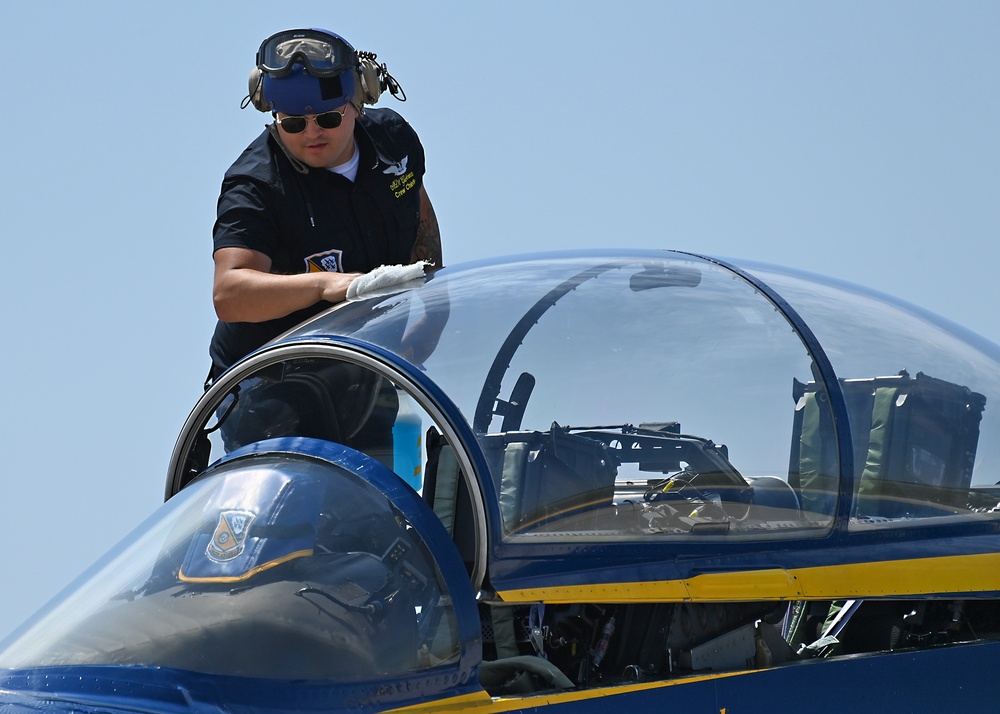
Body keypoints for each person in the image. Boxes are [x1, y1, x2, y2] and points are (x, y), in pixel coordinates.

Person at [208, 28, 442, 382]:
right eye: (293, 123)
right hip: (270, 391)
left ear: (359, 104)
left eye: (328, 119)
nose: (311, 134)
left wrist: (435, 313)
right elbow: (230, 293)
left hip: (368, 369)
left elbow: (419, 215)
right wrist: (325, 285)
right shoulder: (255, 185)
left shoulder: (393, 141)